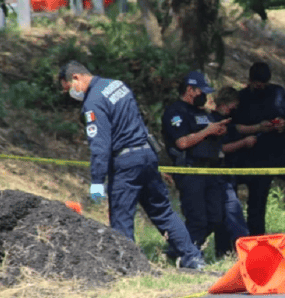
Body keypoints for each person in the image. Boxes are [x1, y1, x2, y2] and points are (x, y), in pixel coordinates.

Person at [58, 61, 206, 270]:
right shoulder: (117, 85)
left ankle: (130, 268)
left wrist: (98, 180)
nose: (72, 94)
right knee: (163, 211)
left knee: (121, 218)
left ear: (76, 78)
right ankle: (193, 258)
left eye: (69, 88)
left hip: (126, 163)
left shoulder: (93, 102)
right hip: (146, 154)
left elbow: (100, 146)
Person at [161, 71, 230, 253]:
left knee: (216, 217)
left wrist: (217, 131)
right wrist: (207, 131)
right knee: (197, 219)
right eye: (201, 91)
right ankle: (186, 255)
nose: (205, 96)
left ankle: (182, 250)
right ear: (190, 90)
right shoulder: (175, 112)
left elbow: (206, 134)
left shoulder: (203, 113)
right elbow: (182, 142)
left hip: (211, 171)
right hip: (191, 171)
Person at [231, 61, 285, 236]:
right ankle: (256, 240)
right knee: (257, 202)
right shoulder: (242, 97)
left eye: (263, 83)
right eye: (256, 83)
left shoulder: (278, 93)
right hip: (255, 157)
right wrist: (258, 128)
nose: (260, 86)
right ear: (250, 80)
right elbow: (234, 127)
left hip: (280, 152)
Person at [211, 86, 253, 256]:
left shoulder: (228, 121)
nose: (234, 110)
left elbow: (239, 129)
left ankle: (235, 253)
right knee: (227, 215)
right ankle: (227, 253)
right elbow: (220, 149)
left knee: (231, 214)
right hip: (218, 174)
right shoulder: (214, 122)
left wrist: (261, 127)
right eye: (232, 106)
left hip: (228, 173)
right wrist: (243, 143)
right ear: (223, 104)